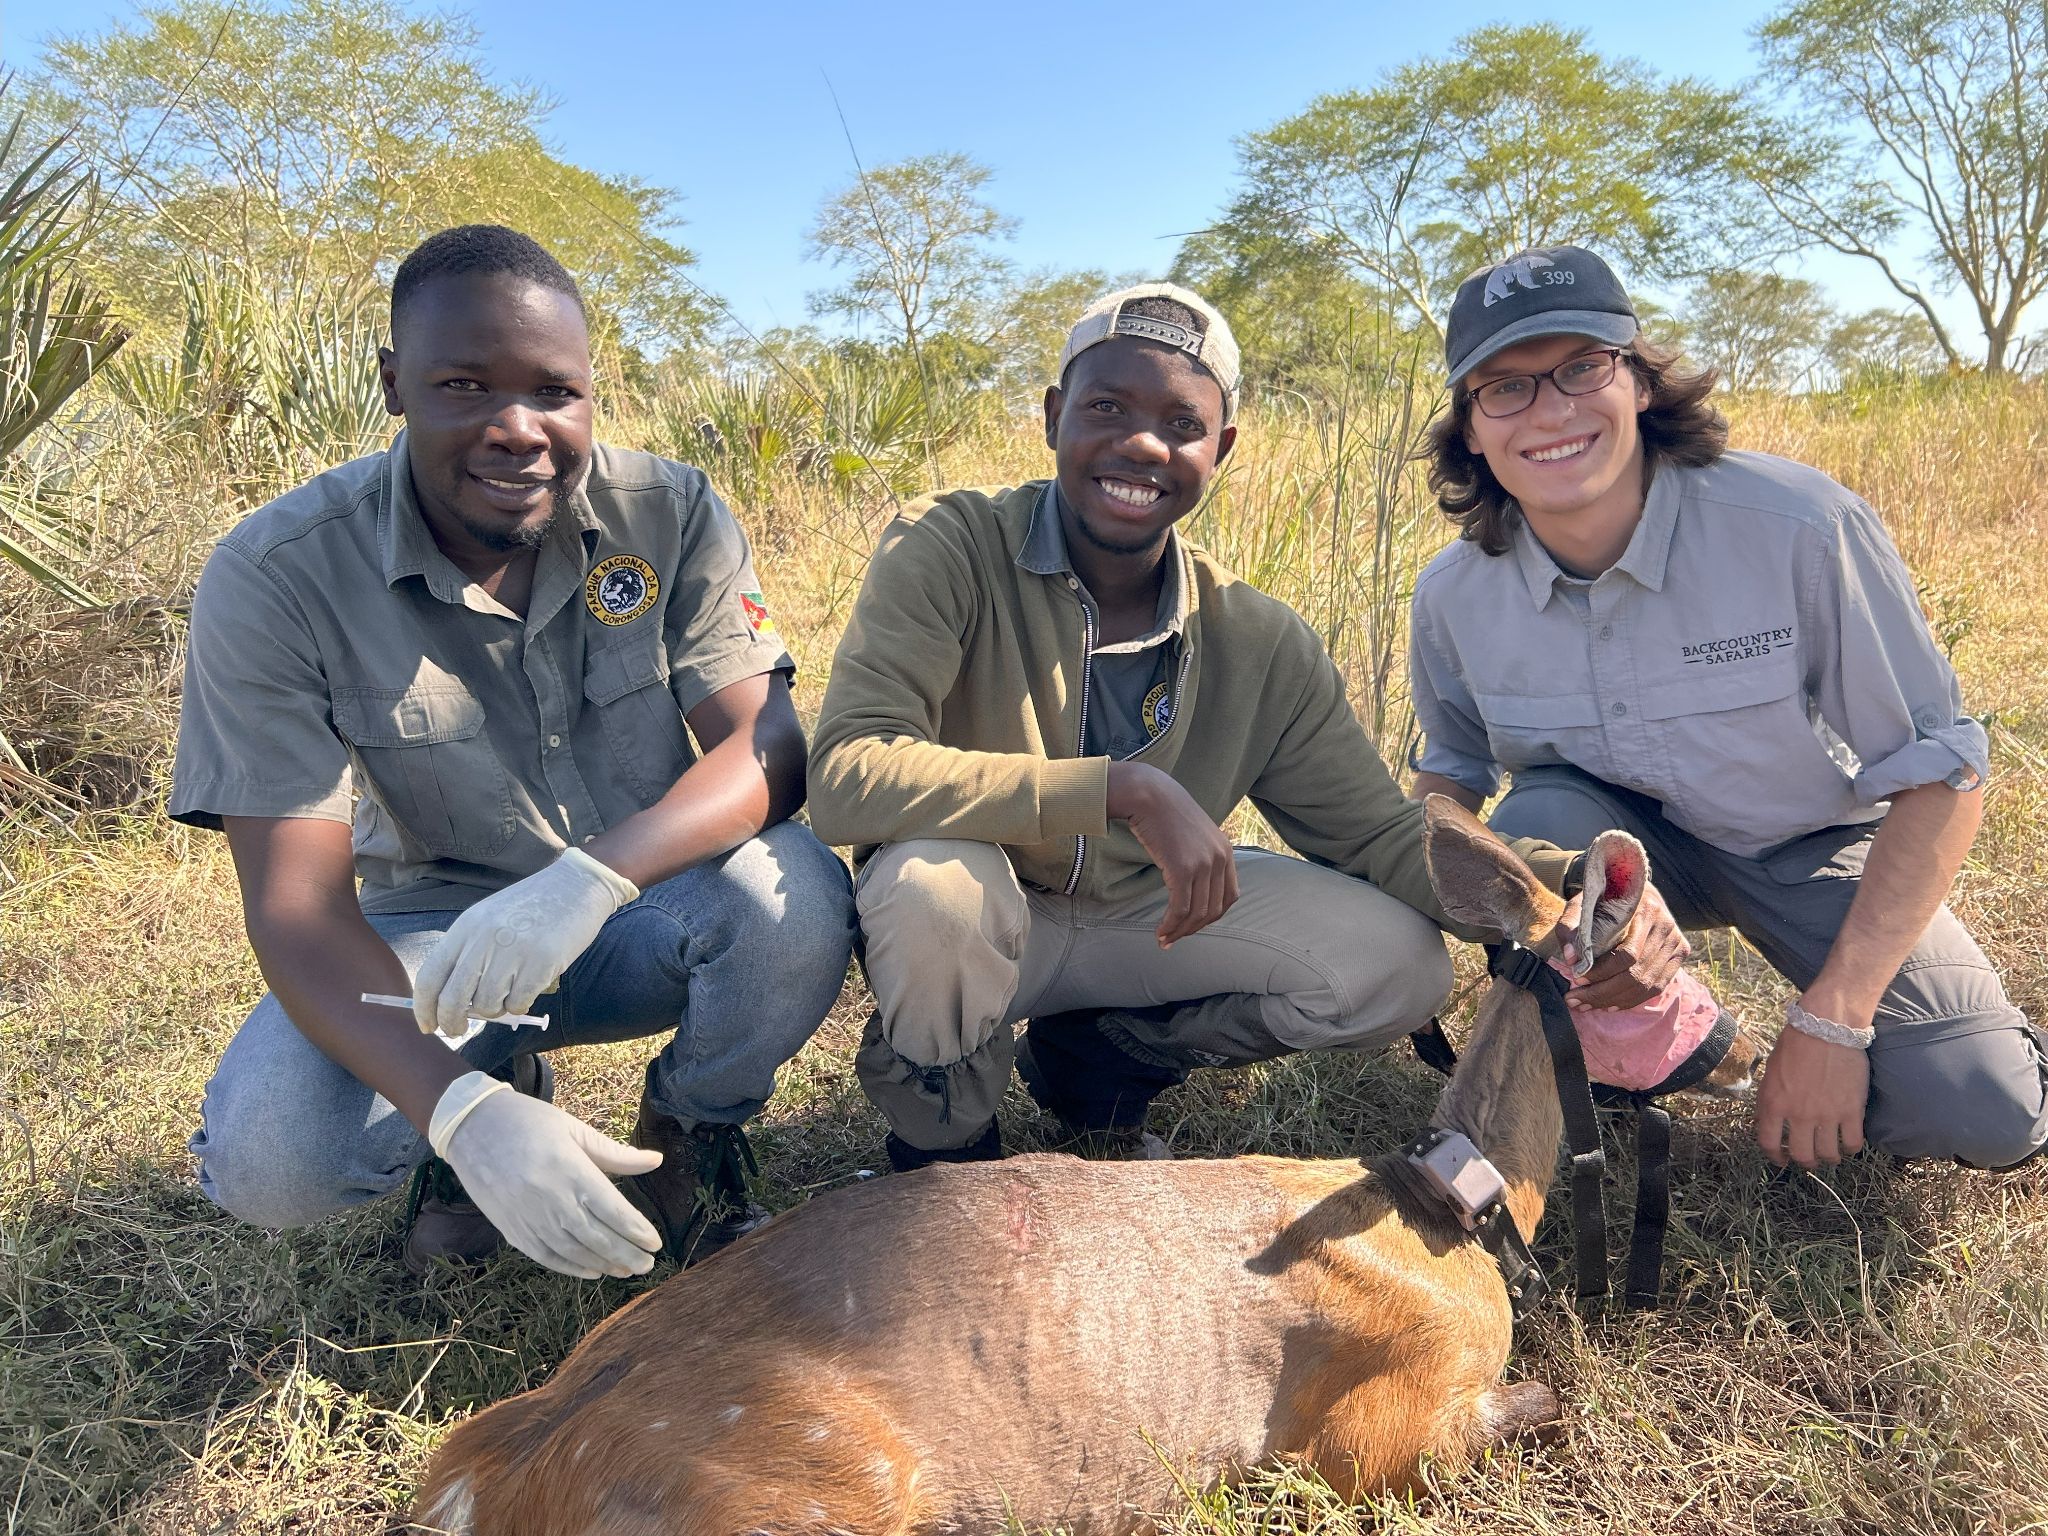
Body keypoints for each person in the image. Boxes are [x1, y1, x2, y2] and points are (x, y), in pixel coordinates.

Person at [807, 282, 1686, 1172]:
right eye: (1106, 407)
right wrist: (1122, 790)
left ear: (1220, 448)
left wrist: (1564, 886)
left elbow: (1378, 835)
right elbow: (848, 772)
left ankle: (1110, 1053)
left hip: (1145, 924)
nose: (1142, 444)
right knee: (933, 892)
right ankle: (948, 1144)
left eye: (1182, 425)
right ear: (1052, 416)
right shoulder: (950, 543)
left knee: (1399, 966)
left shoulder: (1255, 636)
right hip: (987, 922)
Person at [171, 225, 855, 1280]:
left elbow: (767, 747)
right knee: (277, 1159)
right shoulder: (280, 573)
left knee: (793, 895)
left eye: (554, 392)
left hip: (647, 897)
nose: (519, 430)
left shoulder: (669, 512)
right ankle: (488, 1110)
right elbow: (297, 909)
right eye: (465, 386)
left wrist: (593, 878)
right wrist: (456, 1109)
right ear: (394, 384)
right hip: (433, 942)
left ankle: (689, 1133)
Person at [1408, 244, 2047, 1174]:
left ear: (1638, 381)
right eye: (1504, 387)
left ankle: (1888, 1053)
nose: (1549, 411)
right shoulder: (1454, 593)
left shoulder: (1801, 526)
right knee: (1537, 815)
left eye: (1582, 368)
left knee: (1982, 1109)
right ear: (1469, 427)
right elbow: (1450, 782)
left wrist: (1836, 1019)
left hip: (1807, 846)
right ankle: (1619, 1045)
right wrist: (1520, 909)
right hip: (1615, 858)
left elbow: (1942, 772)